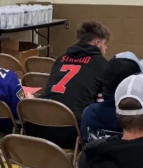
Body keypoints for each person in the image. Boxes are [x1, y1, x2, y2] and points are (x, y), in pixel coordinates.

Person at [30, 21, 110, 150]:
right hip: (69, 133)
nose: (106, 48)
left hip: (39, 126)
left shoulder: (60, 59)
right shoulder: (102, 64)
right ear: (97, 43)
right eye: (105, 44)